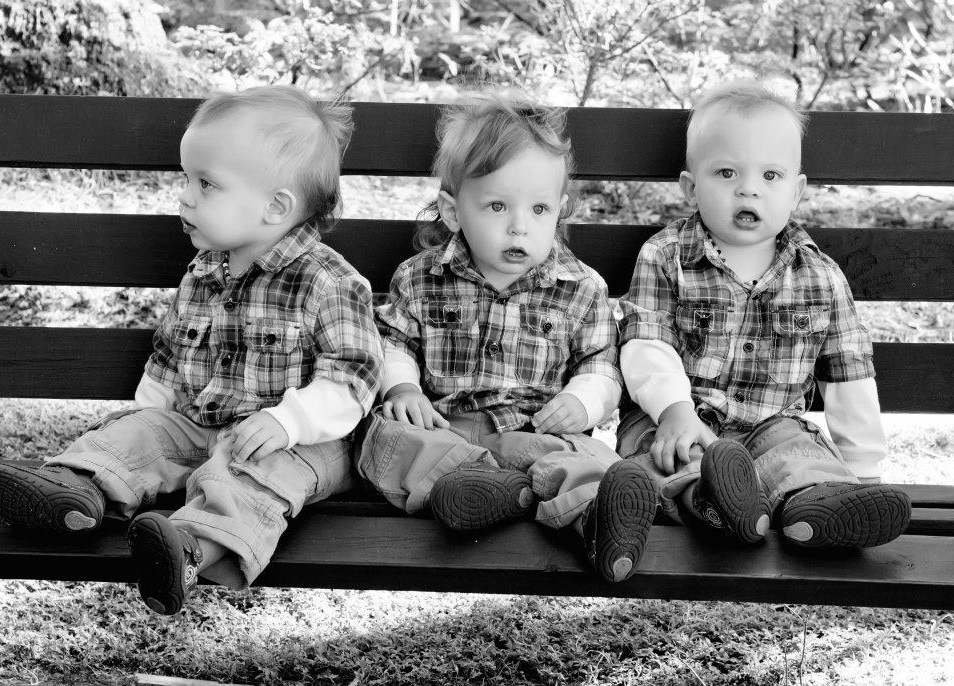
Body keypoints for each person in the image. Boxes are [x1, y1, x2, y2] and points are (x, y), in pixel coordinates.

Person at [0, 85, 384, 614]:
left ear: (275, 207)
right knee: (136, 436)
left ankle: (190, 549)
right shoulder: (202, 273)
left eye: (206, 184)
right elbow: (168, 355)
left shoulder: (327, 281)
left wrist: (289, 421)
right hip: (199, 424)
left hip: (296, 443)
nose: (184, 196)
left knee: (249, 481)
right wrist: (147, 421)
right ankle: (73, 492)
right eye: (186, 179)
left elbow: (355, 375)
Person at [355, 91, 657, 583]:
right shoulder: (420, 277)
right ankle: (482, 489)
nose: (520, 226)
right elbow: (394, 342)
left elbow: (601, 362)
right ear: (453, 211)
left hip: (536, 431)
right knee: (384, 440)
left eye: (539, 209)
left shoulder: (581, 288)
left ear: (560, 210)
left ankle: (598, 517)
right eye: (497, 205)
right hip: (443, 428)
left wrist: (582, 402)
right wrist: (403, 389)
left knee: (585, 459)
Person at [616, 80, 912, 550]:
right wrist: (674, 409)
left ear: (796, 192)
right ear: (691, 188)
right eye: (727, 173)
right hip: (676, 416)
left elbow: (849, 373)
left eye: (770, 176)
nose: (749, 189)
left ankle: (817, 506)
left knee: (799, 457)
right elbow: (647, 340)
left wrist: (863, 468)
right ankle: (714, 503)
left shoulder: (819, 277)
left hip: (772, 425)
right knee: (666, 459)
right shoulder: (666, 256)